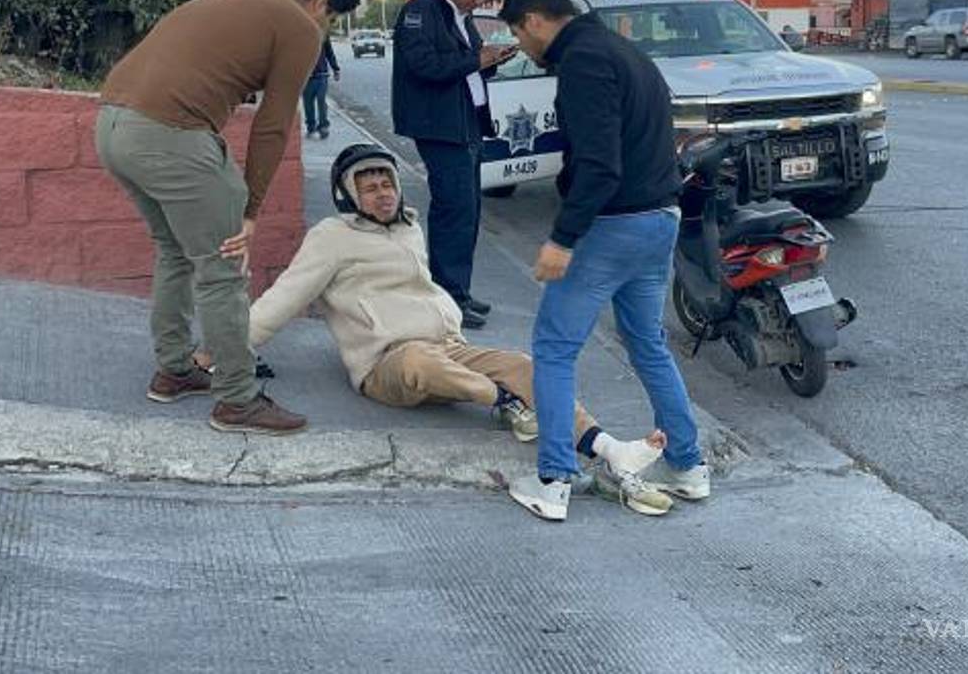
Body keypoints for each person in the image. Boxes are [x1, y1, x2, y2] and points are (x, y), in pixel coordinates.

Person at [246, 144, 672, 517]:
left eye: (388, 183)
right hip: (387, 362)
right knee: (421, 361)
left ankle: (609, 448)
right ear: (348, 195)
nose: (384, 194)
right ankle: (506, 402)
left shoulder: (408, 226)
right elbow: (284, 297)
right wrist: (229, 348)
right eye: (370, 187)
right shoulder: (331, 237)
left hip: (449, 346)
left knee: (523, 364)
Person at [95, 0, 361, 436]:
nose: (326, 25)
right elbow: (274, 125)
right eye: (332, 16)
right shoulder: (299, 26)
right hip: (170, 134)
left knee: (174, 251)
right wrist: (252, 210)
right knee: (224, 267)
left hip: (112, 124)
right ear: (321, 1)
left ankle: (174, 371)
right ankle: (237, 399)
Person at [497, 0, 711, 522]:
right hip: (659, 219)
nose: (523, 47)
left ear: (535, 21)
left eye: (520, 35)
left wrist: (563, 239)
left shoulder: (583, 63)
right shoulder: (624, 51)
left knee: (553, 347)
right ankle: (688, 467)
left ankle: (552, 481)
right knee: (647, 343)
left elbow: (599, 164)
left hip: (613, 226)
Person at [391, 0, 515, 330]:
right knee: (454, 211)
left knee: (469, 210)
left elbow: (468, 64)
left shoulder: (460, 15)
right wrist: (476, 58)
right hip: (440, 125)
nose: (479, 0)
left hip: (466, 123)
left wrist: (494, 59)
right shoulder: (421, 12)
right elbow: (425, 66)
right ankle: (447, 297)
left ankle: (458, 289)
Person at [303, 34, 341, 139]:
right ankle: (311, 126)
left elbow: (329, 52)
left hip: (322, 74)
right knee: (308, 102)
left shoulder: (323, 33)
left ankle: (323, 126)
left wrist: (335, 68)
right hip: (306, 75)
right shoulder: (300, 31)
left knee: (321, 100)